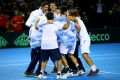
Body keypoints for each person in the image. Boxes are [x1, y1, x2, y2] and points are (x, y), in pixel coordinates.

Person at [37, 11, 70, 79]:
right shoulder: (56, 23)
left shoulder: (42, 24)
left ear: (46, 17)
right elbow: (66, 27)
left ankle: (41, 73)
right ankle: (59, 74)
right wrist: (68, 19)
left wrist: (45, 22)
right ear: (53, 17)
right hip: (53, 45)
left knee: (44, 60)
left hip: (44, 45)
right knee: (59, 59)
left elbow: (37, 26)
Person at [68, 8, 99, 76]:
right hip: (83, 39)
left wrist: (65, 14)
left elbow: (71, 18)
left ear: (73, 15)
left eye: (70, 14)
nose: (68, 16)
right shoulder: (77, 19)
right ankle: (94, 68)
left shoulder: (76, 19)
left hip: (84, 39)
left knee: (84, 54)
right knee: (84, 54)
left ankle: (94, 69)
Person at [24, 1, 49, 77]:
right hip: (36, 37)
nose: (46, 9)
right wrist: (36, 26)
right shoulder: (34, 13)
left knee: (36, 55)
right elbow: (27, 23)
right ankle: (38, 72)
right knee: (41, 54)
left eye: (47, 8)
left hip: (41, 36)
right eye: (45, 7)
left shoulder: (46, 14)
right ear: (41, 7)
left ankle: (30, 70)